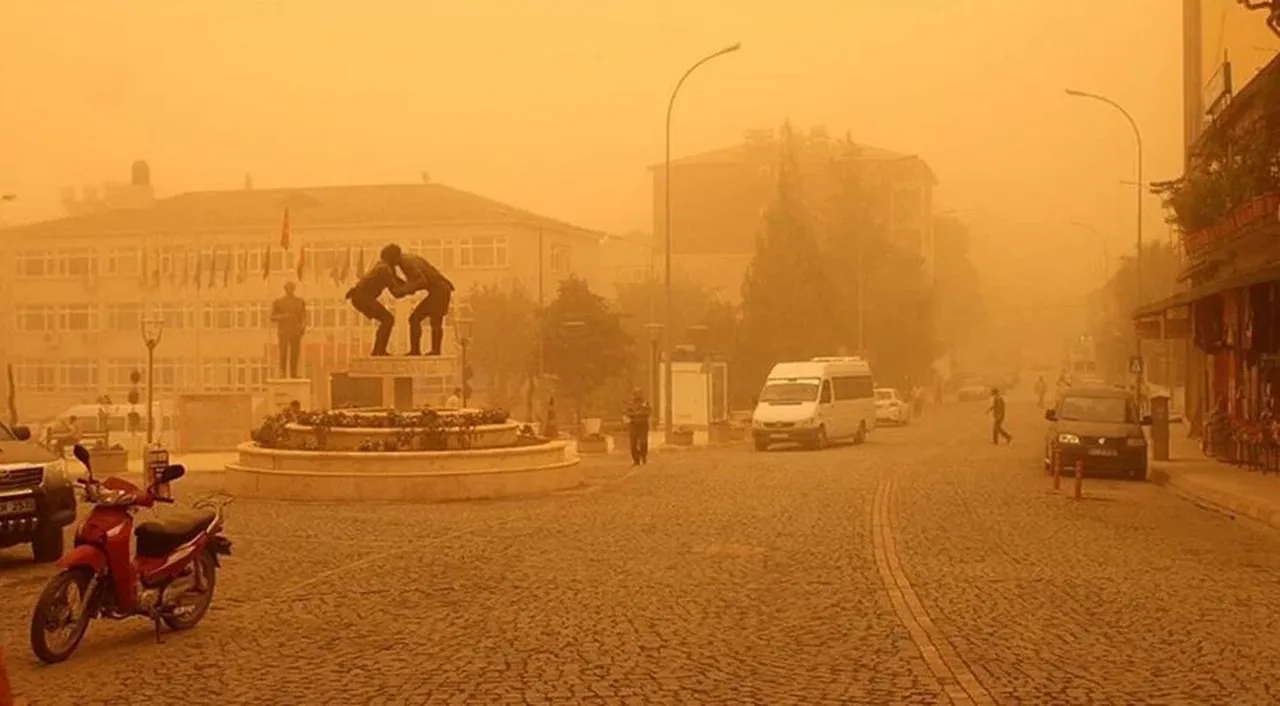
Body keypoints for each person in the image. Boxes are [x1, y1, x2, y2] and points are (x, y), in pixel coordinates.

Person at [381, 244, 456, 356]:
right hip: (440, 289)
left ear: (392, 258)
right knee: (423, 320)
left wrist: (404, 290)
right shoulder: (409, 258)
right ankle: (425, 350)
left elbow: (421, 281)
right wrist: (408, 287)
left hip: (440, 290)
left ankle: (428, 351)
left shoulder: (406, 263)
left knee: (425, 320)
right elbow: (418, 280)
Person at [345, 261, 404, 356]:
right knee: (388, 319)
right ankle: (379, 350)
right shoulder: (385, 269)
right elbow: (396, 292)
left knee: (386, 319)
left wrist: (407, 283)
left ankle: (377, 350)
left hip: (359, 297)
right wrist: (410, 288)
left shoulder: (381, 266)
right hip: (362, 297)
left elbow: (396, 279)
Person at [270, 282, 307, 378]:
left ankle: (293, 373)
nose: (290, 290)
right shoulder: (279, 302)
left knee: (295, 353)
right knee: (283, 352)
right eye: (288, 288)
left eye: (291, 288)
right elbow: (272, 317)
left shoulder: (299, 302)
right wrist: (283, 316)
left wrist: (302, 326)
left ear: (294, 289)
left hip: (295, 331)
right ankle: (282, 372)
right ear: (285, 289)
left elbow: (304, 316)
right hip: (284, 331)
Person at [623, 389, 651, 466]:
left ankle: (643, 456)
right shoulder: (630, 405)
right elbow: (626, 414)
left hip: (643, 425)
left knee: (643, 442)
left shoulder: (645, 404)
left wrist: (639, 413)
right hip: (633, 425)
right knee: (633, 444)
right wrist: (634, 414)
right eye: (635, 395)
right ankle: (636, 460)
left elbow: (648, 413)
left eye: (638, 395)